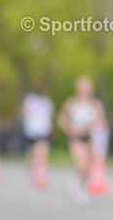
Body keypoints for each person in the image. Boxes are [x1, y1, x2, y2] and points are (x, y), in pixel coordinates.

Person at [57, 76, 107, 206]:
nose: (84, 90)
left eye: (87, 88)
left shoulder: (96, 104)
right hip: (75, 138)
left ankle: (81, 184)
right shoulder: (71, 102)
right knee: (82, 163)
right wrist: (69, 128)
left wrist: (92, 125)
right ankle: (81, 187)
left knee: (87, 166)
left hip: (89, 137)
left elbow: (102, 121)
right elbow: (62, 118)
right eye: (82, 87)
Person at [21, 85, 55, 187]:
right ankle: (31, 168)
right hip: (31, 130)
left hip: (43, 130)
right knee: (32, 153)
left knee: (42, 150)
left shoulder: (47, 102)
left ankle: (41, 170)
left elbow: (51, 115)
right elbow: (23, 110)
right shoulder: (30, 99)